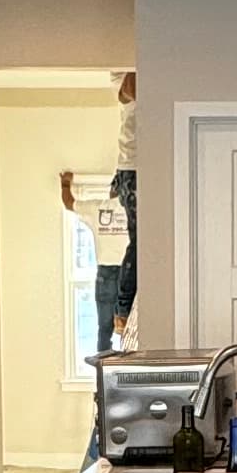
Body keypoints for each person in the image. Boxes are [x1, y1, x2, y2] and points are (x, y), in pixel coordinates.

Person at [65, 70, 138, 354]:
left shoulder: (109, 204)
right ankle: (108, 367)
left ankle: (126, 327)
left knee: (139, 241)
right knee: (103, 330)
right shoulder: (99, 208)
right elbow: (70, 204)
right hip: (108, 270)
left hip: (117, 268)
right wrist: (65, 183)